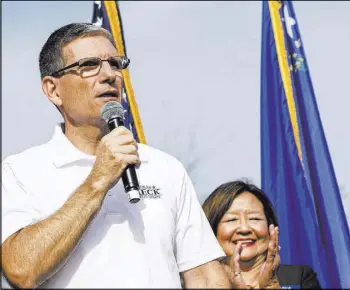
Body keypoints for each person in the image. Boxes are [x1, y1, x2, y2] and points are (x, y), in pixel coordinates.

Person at [1, 23, 231, 289]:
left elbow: (203, 275)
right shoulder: (21, 171)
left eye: (115, 63)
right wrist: (97, 182)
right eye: (89, 65)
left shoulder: (165, 168)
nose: (110, 75)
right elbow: (20, 270)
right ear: (53, 90)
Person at [202, 180, 321, 289]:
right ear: (211, 229)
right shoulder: (196, 282)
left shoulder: (298, 278)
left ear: (271, 227)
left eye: (254, 218)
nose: (244, 228)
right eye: (232, 220)